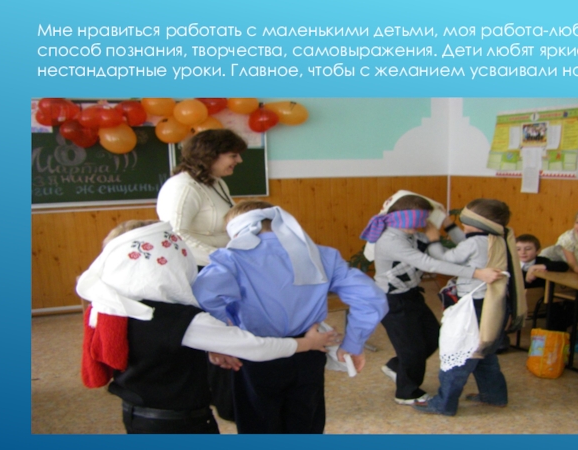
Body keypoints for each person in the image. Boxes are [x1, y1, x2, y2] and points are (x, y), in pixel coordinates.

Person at [76, 220, 337, 434]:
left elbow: (163, 346)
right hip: (181, 424)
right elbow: (256, 347)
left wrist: (210, 346)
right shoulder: (179, 319)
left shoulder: (114, 306)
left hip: (136, 415)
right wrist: (307, 343)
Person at [192, 200, 388, 434]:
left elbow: (203, 297)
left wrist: (224, 337)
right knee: (305, 422)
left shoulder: (230, 259)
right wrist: (353, 343)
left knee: (258, 425)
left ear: (235, 231)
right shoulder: (321, 255)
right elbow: (371, 298)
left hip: (256, 354)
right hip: (310, 350)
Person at [361, 193, 503, 406]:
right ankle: (407, 393)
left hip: (411, 296)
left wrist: (445, 225)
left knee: (432, 336)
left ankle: (396, 367)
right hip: (391, 300)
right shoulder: (390, 240)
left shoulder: (413, 235)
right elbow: (429, 263)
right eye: (416, 221)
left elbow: (446, 254)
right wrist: (476, 273)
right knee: (411, 349)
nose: (419, 225)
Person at [155, 128, 247, 420]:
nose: (239, 161)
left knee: (228, 334)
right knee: (216, 338)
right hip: (198, 272)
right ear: (210, 155)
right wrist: (225, 259)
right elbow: (176, 236)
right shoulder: (182, 187)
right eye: (233, 155)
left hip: (219, 268)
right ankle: (227, 404)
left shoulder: (216, 182)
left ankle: (233, 399)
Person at [413, 199, 515, 416]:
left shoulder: (474, 243)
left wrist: (433, 239)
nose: (461, 223)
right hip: (492, 304)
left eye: (464, 221)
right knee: (484, 353)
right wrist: (447, 224)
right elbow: (466, 243)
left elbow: (446, 258)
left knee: (461, 353)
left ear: (475, 223)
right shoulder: (496, 237)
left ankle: (444, 403)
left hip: (474, 306)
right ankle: (494, 395)